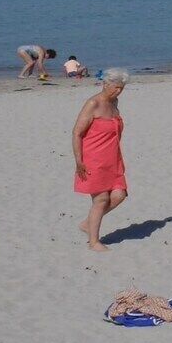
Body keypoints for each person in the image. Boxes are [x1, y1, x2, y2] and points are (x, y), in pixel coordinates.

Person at [72, 69, 130, 250]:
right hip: (93, 159)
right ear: (105, 84)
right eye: (116, 87)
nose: (118, 91)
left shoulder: (114, 102)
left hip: (113, 159)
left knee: (119, 195)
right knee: (101, 199)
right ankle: (94, 242)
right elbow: (77, 133)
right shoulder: (93, 103)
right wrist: (79, 160)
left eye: (121, 88)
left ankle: (88, 223)